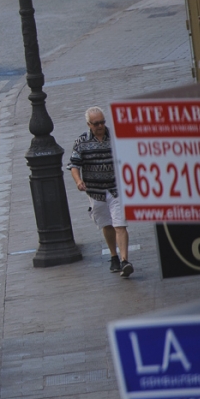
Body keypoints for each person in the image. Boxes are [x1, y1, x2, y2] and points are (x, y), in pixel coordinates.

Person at [69, 107, 133, 277]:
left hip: (116, 188)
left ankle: (125, 260)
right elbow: (74, 164)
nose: (100, 126)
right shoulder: (81, 141)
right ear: (89, 124)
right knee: (107, 224)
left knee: (120, 223)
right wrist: (78, 181)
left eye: (102, 122)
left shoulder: (115, 137)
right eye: (96, 123)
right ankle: (114, 256)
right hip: (96, 192)